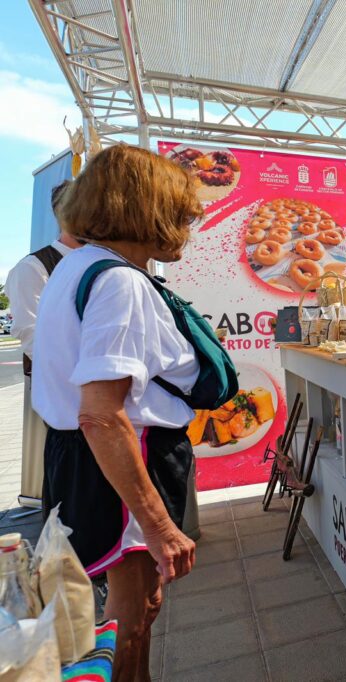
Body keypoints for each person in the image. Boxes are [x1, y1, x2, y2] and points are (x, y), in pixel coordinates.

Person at [32, 144, 200, 681]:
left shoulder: (76, 266)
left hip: (84, 457)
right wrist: (159, 525)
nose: (188, 226)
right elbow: (102, 414)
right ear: (147, 209)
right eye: (181, 212)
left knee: (128, 610)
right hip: (125, 457)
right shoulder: (120, 281)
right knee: (135, 613)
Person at [6, 180, 82, 507]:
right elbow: (33, 339)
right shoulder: (33, 268)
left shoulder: (106, 260)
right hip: (70, 408)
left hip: (112, 407)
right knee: (74, 500)